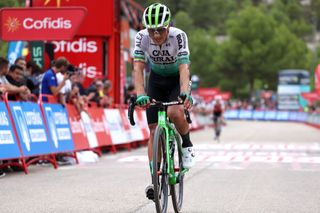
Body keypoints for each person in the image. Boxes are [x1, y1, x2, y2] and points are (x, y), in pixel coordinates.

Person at [132, 3, 195, 200]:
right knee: (152, 129)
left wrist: (185, 92)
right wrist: (140, 94)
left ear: (168, 27)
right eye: (152, 30)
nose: (156, 35)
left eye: (160, 30)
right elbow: (138, 69)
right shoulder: (142, 37)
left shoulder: (179, 36)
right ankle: (155, 178)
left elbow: (184, 67)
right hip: (156, 80)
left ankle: (186, 144)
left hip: (176, 79)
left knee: (175, 112)